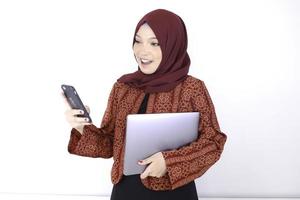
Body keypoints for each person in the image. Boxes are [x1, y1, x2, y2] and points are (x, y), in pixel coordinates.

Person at [61, 8, 227, 200]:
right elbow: (109, 145)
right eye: (137, 41)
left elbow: (214, 142)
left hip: (175, 193)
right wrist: (82, 127)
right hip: (126, 192)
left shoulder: (192, 88)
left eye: (155, 43)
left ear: (173, 45)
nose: (142, 51)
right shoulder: (123, 88)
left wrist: (169, 161)